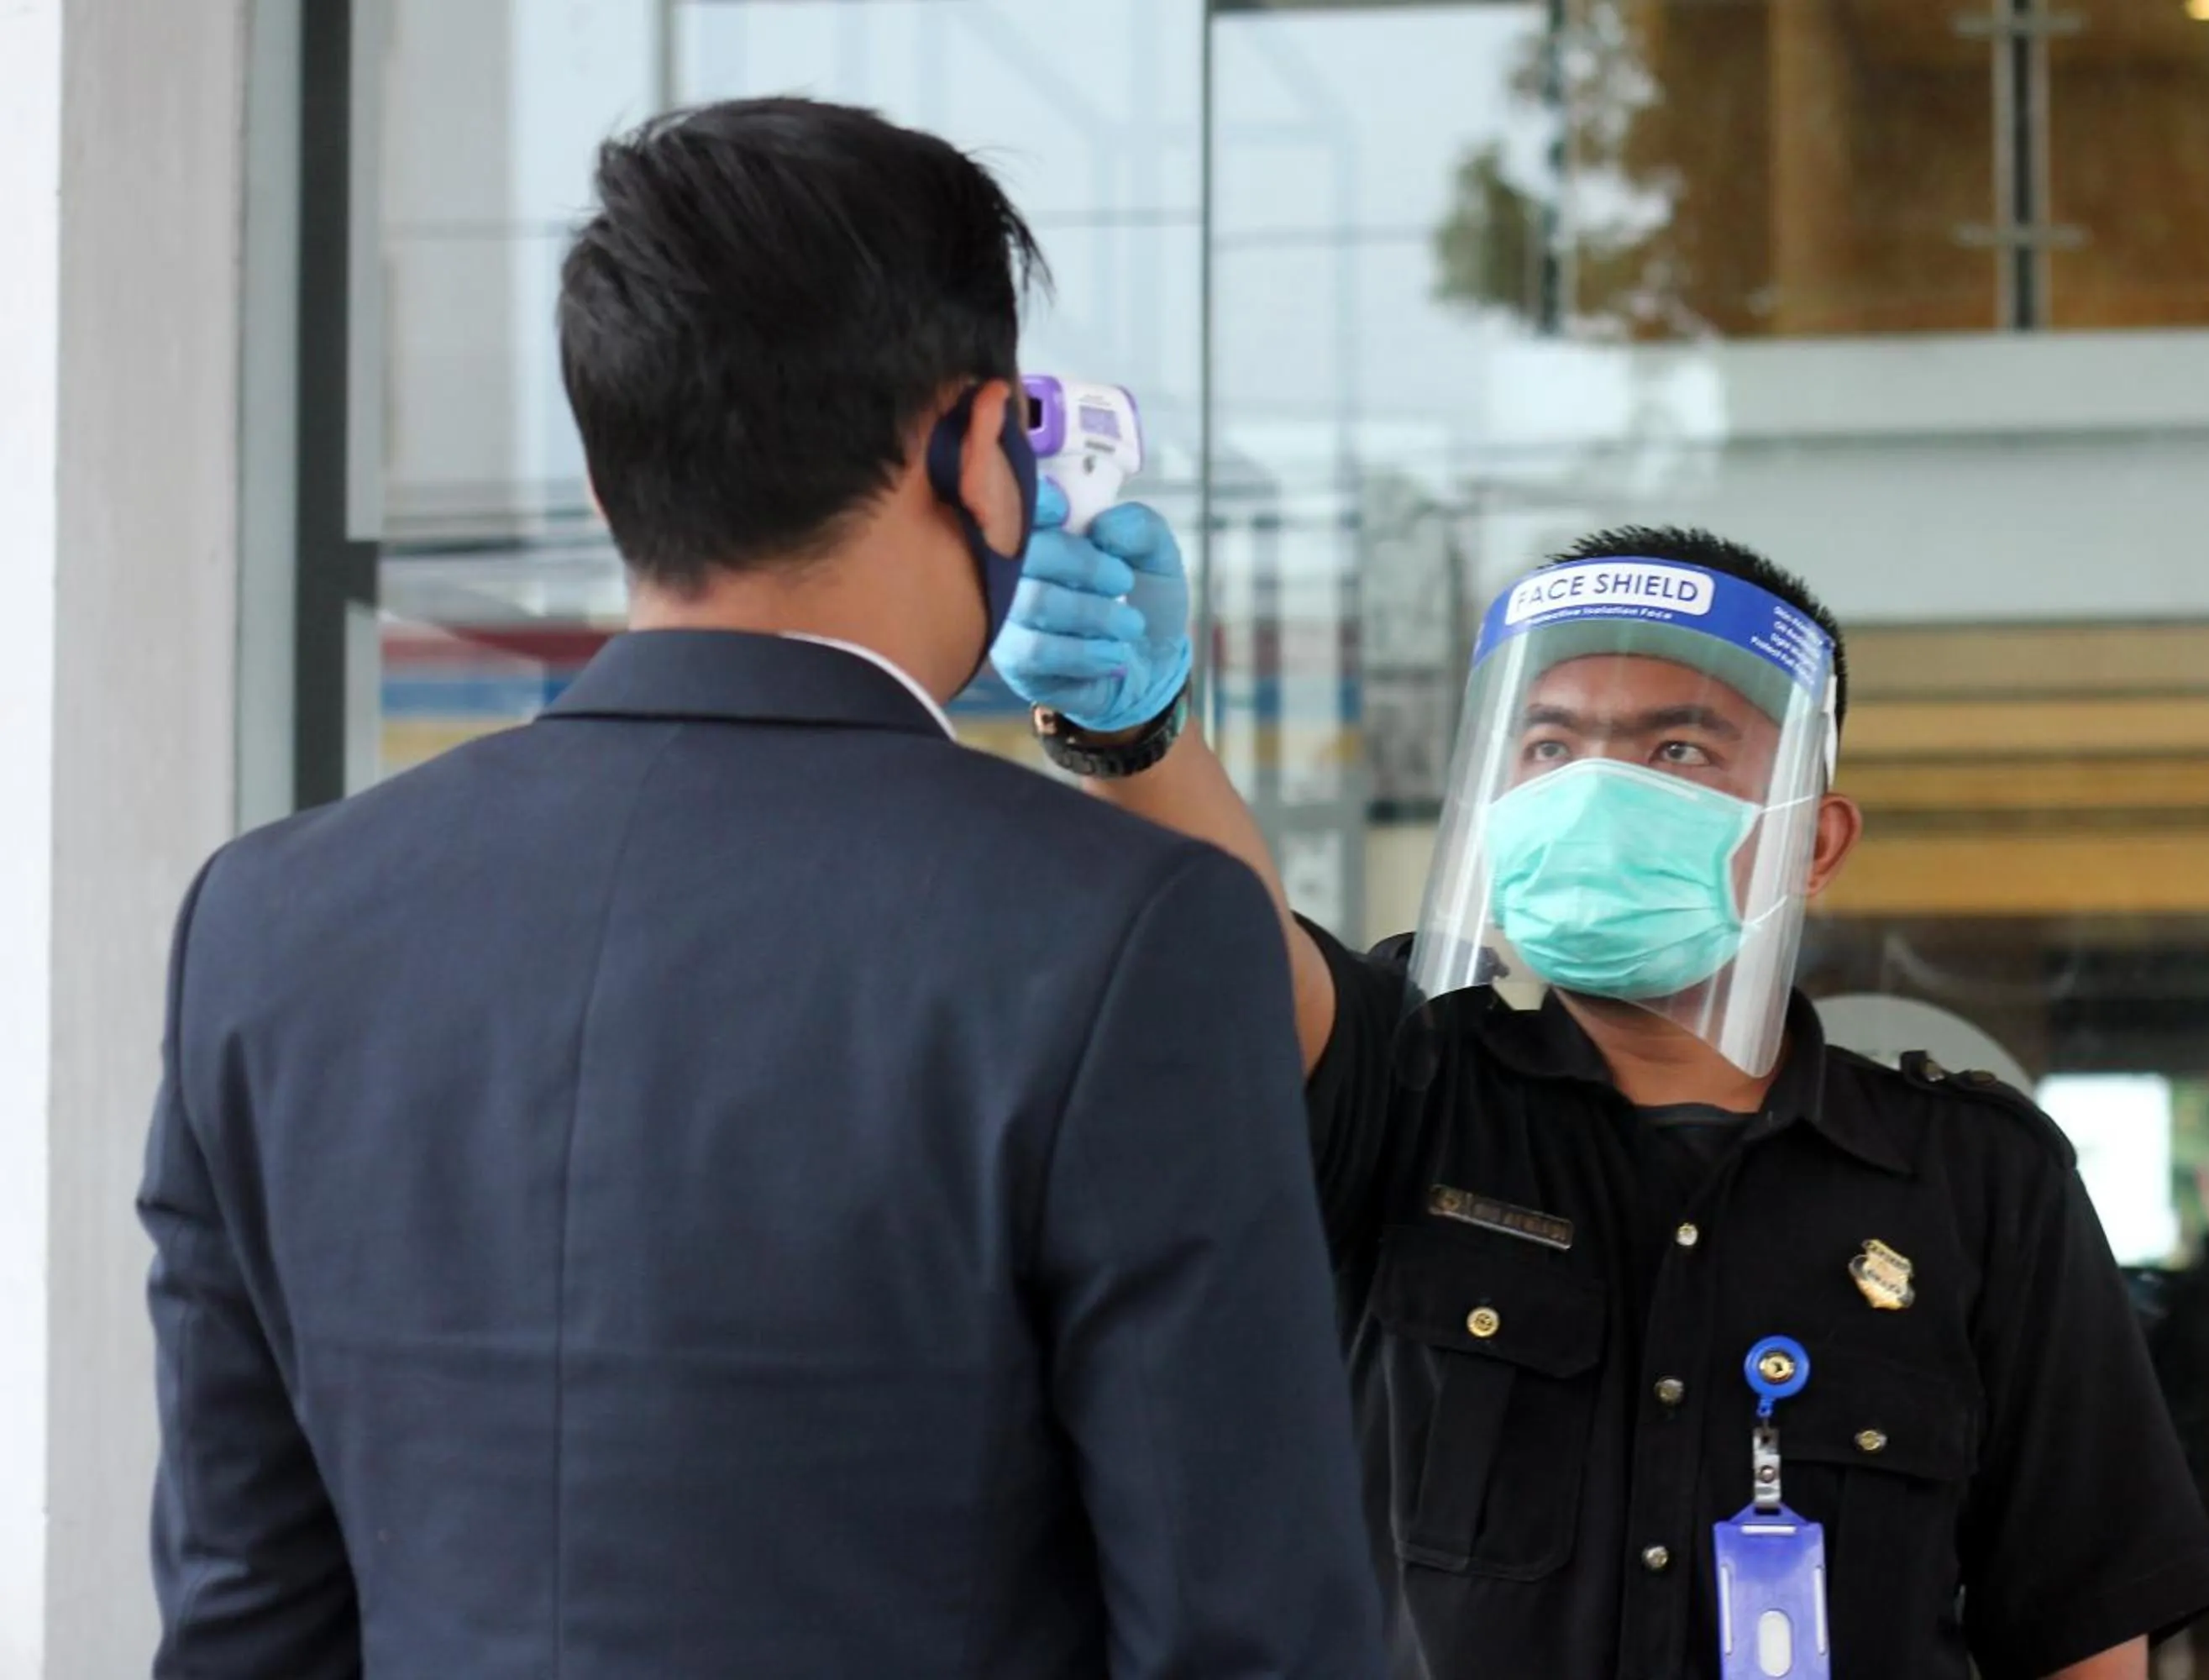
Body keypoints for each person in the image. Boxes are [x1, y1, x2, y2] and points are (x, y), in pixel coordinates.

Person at [137, 98, 1383, 1680]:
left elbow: (245, 1627)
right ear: (984, 449)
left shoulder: (263, 928)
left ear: (611, 487)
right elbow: (1248, 1637)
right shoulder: (1123, 937)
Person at [994, 512, 2209, 1679]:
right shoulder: (1417, 1088)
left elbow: (2079, 1630)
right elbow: (1234, 952)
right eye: (1548, 745)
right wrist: (1135, 735)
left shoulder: (1974, 1182)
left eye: (1675, 747)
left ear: (1816, 840)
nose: (1595, 788)